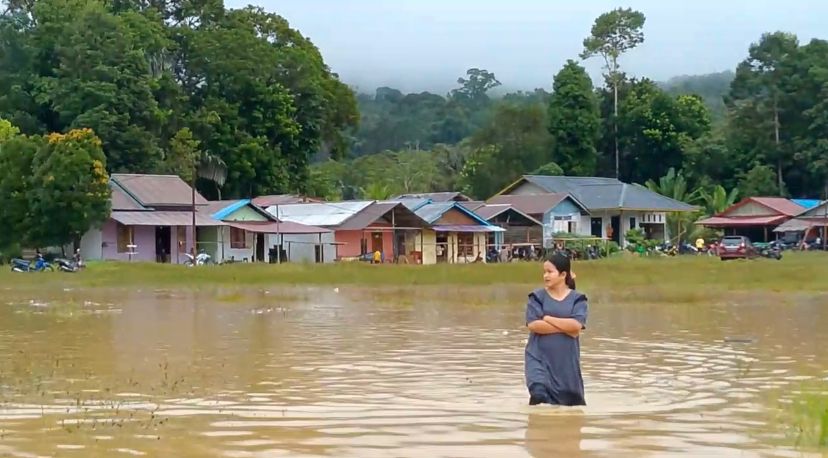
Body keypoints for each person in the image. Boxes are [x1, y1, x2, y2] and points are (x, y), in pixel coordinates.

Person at [524, 253, 588, 406]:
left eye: (550, 272)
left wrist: (548, 318)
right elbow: (534, 325)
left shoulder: (578, 299)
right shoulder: (537, 297)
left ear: (563, 274)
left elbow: (576, 326)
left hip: (565, 362)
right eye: (544, 271)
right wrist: (566, 327)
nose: (545, 275)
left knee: (570, 405)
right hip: (538, 357)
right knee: (539, 395)